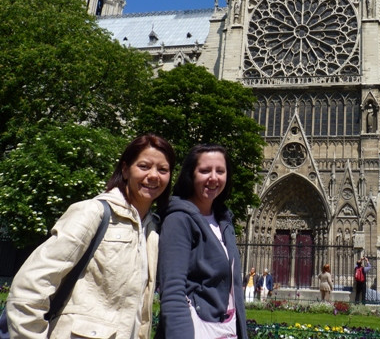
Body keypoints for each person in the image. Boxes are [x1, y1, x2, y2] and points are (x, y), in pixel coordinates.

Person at [6, 133, 175, 339]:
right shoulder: (93, 212)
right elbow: (29, 287)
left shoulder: (152, 230)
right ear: (125, 169)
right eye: (144, 166)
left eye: (163, 169)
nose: (154, 175)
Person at [157, 144, 247, 339]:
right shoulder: (179, 219)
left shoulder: (223, 220)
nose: (213, 177)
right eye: (205, 170)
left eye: (220, 171)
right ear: (191, 174)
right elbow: (172, 291)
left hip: (223, 330)